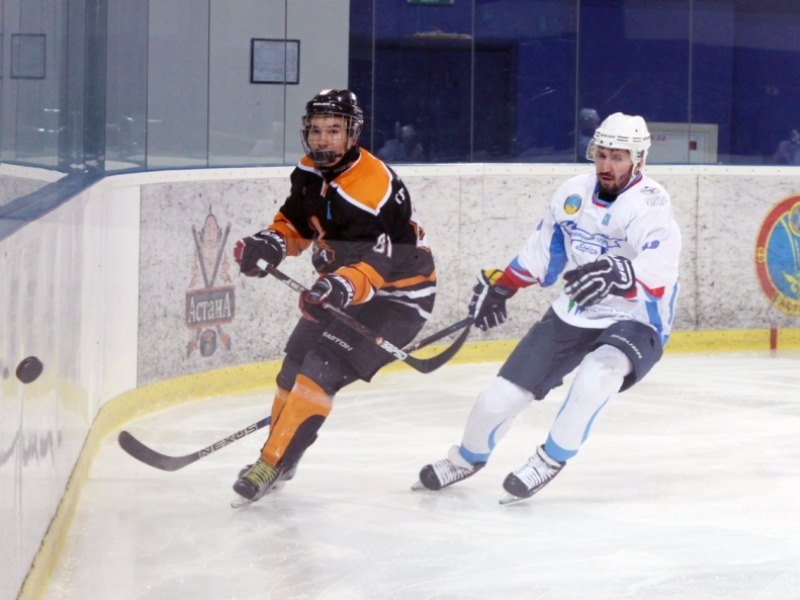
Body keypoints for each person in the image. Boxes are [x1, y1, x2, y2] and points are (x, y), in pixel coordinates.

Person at [415, 112, 681, 503]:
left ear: (638, 160)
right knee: (500, 397)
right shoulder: (573, 194)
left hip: (637, 315)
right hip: (577, 308)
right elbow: (543, 253)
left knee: (598, 375)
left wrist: (623, 273)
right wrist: (503, 286)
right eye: (602, 154)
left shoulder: (651, 202)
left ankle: (549, 459)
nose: (606, 165)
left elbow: (661, 267)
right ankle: (467, 458)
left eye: (617, 157)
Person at [232, 89, 436, 505]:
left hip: (397, 298)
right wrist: (271, 243)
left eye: (333, 130)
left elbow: (377, 263)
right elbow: (296, 223)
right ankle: (284, 458)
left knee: (319, 369)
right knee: (292, 366)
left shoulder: (371, 189)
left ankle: (271, 462)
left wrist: (338, 287)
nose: (322, 139)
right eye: (316, 130)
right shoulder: (310, 170)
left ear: (352, 134)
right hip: (341, 289)